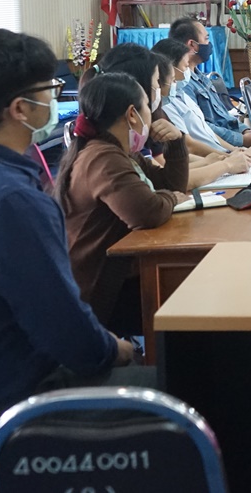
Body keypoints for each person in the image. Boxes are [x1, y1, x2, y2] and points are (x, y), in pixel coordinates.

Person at [0, 29, 147, 471]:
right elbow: (66, 332)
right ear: (21, 109)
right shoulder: (11, 201)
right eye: (49, 91)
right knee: (188, 392)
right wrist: (115, 350)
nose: (55, 100)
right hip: (3, 414)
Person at [56, 72, 187, 334]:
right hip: (99, 294)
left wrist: (177, 143)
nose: (151, 115)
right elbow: (147, 212)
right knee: (186, 294)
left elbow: (169, 185)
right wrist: (171, 199)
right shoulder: (103, 157)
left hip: (116, 277)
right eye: (147, 108)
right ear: (131, 114)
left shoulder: (122, 152)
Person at [169, 16, 251, 147]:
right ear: (192, 45)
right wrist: (241, 139)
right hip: (220, 147)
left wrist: (244, 130)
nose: (209, 44)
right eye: (206, 39)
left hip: (234, 143)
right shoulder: (183, 84)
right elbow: (202, 127)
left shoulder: (202, 78)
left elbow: (224, 115)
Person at [151, 38, 236, 155]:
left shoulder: (182, 94)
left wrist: (233, 150)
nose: (188, 72)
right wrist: (228, 158)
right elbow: (189, 145)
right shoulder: (166, 103)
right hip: (208, 159)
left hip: (219, 155)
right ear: (170, 68)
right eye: (186, 66)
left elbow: (206, 130)